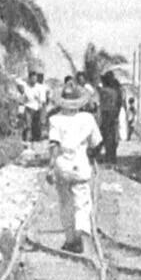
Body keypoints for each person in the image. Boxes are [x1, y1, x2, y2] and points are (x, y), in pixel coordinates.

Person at [47, 77, 101, 253]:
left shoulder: (55, 119)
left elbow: (54, 145)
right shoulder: (88, 118)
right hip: (80, 165)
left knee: (65, 203)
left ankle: (70, 240)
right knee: (81, 202)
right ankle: (79, 236)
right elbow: (97, 143)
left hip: (62, 165)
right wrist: (91, 156)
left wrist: (50, 167)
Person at [96, 70, 124, 164]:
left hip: (106, 114)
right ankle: (112, 157)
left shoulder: (104, 91)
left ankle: (106, 156)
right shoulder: (115, 92)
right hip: (113, 114)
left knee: (105, 135)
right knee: (112, 136)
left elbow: (101, 101)